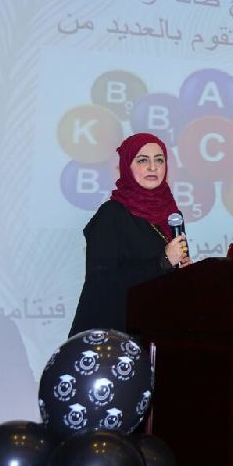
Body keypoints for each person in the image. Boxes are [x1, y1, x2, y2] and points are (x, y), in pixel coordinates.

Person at [69, 133, 191, 335]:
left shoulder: (172, 215)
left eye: (159, 160)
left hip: (155, 329)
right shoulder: (111, 214)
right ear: (127, 166)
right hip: (111, 334)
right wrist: (163, 262)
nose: (153, 167)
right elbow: (101, 285)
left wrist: (185, 274)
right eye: (142, 160)